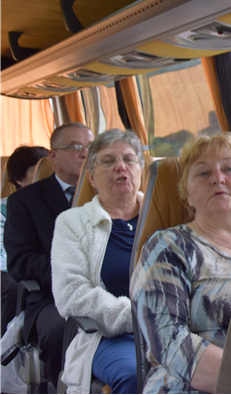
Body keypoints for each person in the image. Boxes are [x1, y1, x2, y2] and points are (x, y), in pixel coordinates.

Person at [130, 132, 231, 394]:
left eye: (229, 169)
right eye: (203, 173)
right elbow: (171, 343)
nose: (218, 178)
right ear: (187, 196)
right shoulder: (168, 247)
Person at [50, 129, 143, 394]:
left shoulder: (166, 215)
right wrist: (138, 317)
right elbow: (72, 294)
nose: (121, 167)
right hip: (111, 335)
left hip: (174, 328)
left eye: (129, 159)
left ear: (141, 169)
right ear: (91, 176)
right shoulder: (73, 223)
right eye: (108, 161)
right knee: (135, 373)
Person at [4, 122, 94, 385]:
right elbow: (20, 261)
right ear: (53, 156)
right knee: (59, 331)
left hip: (109, 289)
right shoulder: (24, 201)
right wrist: (70, 276)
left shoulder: (110, 196)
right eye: (75, 147)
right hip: (51, 296)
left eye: (90, 147)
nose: (84, 154)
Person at [0, 145, 49, 336]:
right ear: (20, 179)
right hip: (8, 268)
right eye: (40, 171)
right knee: (14, 286)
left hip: (40, 269)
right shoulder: (5, 208)